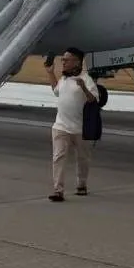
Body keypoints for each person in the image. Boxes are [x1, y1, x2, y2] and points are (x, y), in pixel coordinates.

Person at [44, 47, 100, 202]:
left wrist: (83, 87)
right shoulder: (64, 79)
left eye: (66, 60)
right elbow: (56, 91)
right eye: (63, 59)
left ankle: (81, 184)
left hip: (81, 129)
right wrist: (50, 72)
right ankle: (58, 190)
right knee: (58, 157)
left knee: (83, 159)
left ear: (77, 62)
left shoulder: (86, 79)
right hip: (60, 126)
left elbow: (93, 100)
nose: (63, 62)